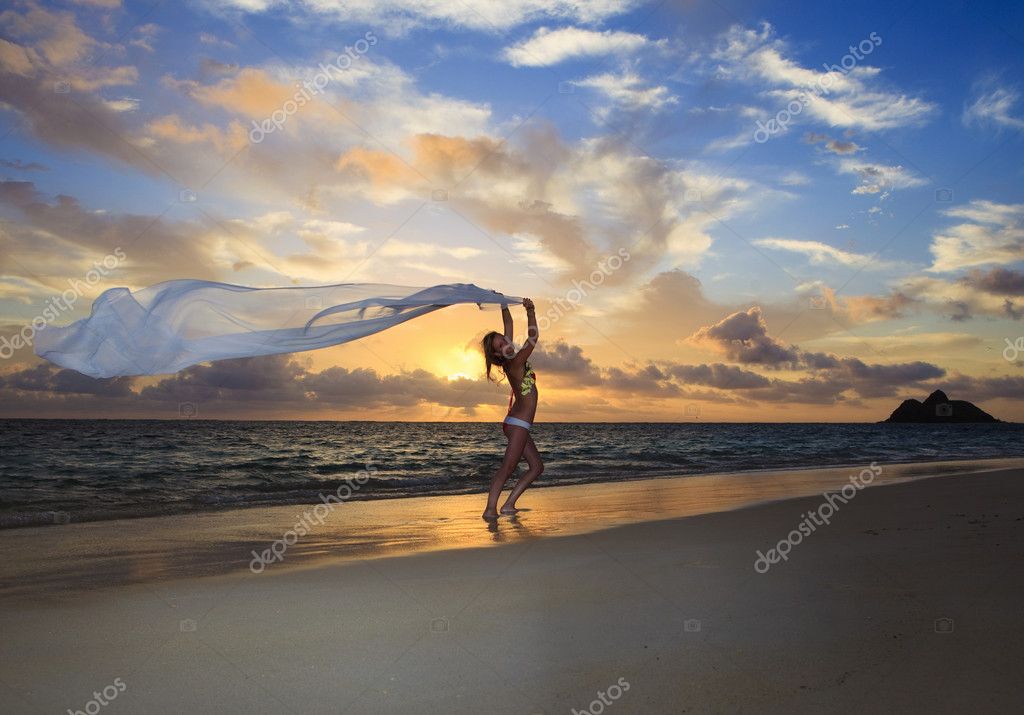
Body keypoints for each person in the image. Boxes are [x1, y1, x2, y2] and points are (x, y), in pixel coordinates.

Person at [480, 297, 543, 519]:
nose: (506, 344)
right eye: (500, 346)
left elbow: (508, 326)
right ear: (497, 355)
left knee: (537, 467)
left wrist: (503, 304)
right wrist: (531, 311)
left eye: (505, 341)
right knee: (507, 468)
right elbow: (533, 337)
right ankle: (490, 509)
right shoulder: (515, 363)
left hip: (518, 423)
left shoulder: (512, 358)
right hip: (518, 425)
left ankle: (509, 505)